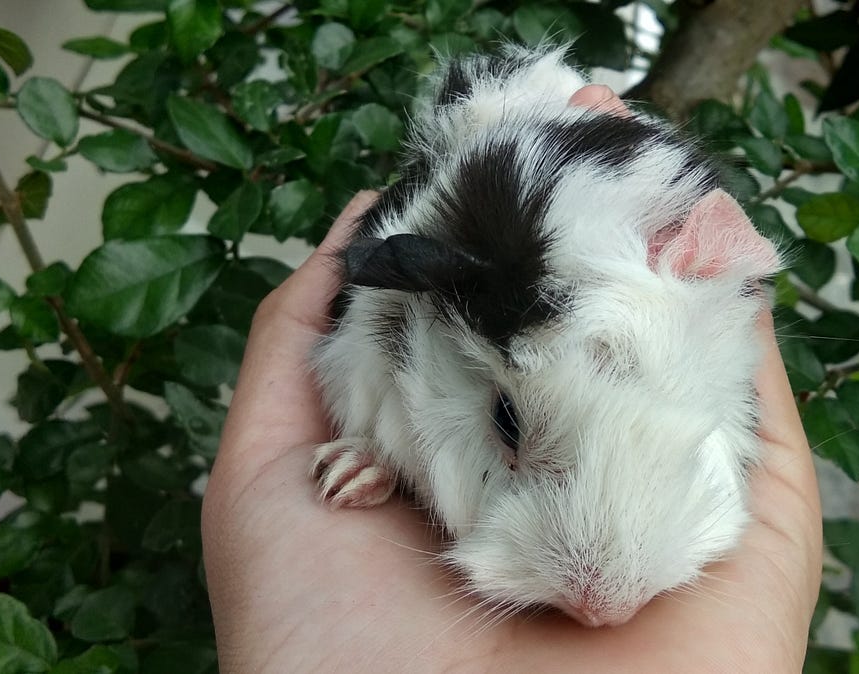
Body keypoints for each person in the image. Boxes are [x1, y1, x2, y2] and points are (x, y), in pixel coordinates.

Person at [201, 85, 823, 672]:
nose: (599, 601)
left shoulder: (703, 300)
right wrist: (380, 446)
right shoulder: (403, 313)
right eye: (511, 422)